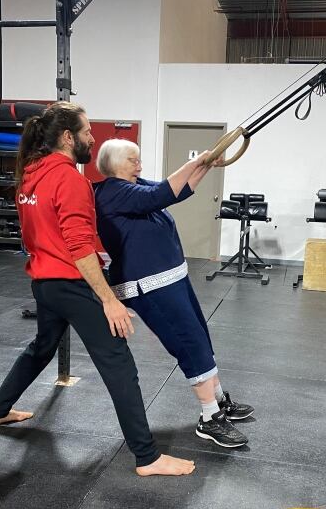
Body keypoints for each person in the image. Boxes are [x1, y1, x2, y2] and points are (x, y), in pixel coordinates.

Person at [0, 103, 194, 477]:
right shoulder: (70, 179)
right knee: (119, 363)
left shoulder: (30, 175)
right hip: (70, 285)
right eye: (85, 133)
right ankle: (147, 457)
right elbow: (78, 247)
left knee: (42, 347)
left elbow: (43, 234)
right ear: (68, 138)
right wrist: (109, 300)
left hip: (43, 283)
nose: (92, 138)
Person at [94, 139, 255, 449]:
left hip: (172, 278)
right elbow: (162, 193)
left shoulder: (134, 184)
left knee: (199, 336)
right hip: (149, 285)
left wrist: (206, 166)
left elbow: (177, 191)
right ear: (114, 165)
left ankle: (219, 401)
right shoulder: (112, 192)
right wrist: (199, 158)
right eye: (132, 160)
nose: (139, 165)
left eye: (138, 159)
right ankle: (209, 417)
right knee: (188, 342)